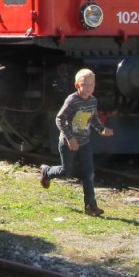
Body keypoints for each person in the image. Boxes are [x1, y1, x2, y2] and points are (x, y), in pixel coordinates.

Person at [39, 68, 115, 216]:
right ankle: (47, 172)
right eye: (85, 85)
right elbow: (59, 119)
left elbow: (93, 118)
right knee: (67, 172)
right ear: (77, 86)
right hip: (68, 142)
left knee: (89, 174)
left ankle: (91, 206)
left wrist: (102, 129)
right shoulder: (72, 100)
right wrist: (70, 137)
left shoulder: (93, 100)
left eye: (91, 85)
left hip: (85, 143)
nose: (88, 88)